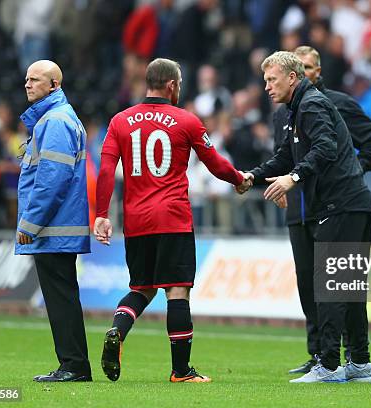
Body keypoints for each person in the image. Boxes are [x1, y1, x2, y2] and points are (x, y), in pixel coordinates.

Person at [94, 58, 250, 383]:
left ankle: (118, 330)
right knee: (176, 291)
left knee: (141, 288)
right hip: (173, 218)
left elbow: (107, 170)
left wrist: (102, 215)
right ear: (172, 86)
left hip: (136, 221)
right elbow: (214, 163)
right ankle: (181, 371)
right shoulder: (186, 120)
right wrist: (238, 179)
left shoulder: (120, 121)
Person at [238, 51, 371, 383]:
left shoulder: (311, 104)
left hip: (340, 205)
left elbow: (326, 148)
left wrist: (294, 178)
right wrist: (253, 177)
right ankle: (360, 363)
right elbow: (286, 155)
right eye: (265, 80)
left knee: (329, 286)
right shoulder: (298, 107)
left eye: (272, 79)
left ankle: (329, 366)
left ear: (292, 77)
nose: (267, 87)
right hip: (349, 205)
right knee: (348, 288)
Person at [273, 45, 371, 375]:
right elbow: (285, 157)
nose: (303, 72)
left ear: (317, 71)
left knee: (336, 285)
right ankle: (319, 353)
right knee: (310, 287)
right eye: (297, 66)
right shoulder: (285, 111)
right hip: (300, 209)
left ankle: (343, 356)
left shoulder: (335, 104)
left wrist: (347, 171)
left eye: (308, 67)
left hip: (335, 203)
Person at [15, 60, 92, 382]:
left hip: (53, 227)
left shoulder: (56, 121)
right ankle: (73, 364)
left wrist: (30, 223)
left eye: (36, 80)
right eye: (27, 79)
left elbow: (52, 177)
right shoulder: (54, 119)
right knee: (62, 296)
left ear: (54, 85)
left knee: (60, 298)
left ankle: (73, 366)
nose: (28, 84)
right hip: (58, 225)